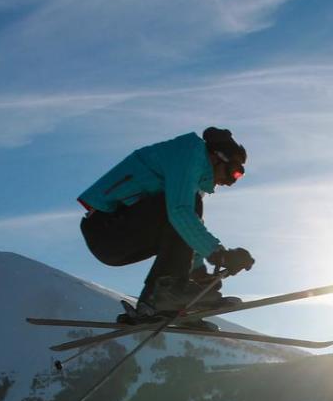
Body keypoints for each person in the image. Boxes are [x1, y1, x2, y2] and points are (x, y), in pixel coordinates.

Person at [77, 127, 255, 322]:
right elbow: (180, 213)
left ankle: (169, 300)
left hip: (117, 235)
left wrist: (199, 276)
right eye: (233, 172)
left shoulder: (191, 176)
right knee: (186, 208)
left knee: (189, 211)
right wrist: (219, 254)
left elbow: (182, 232)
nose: (229, 182)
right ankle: (164, 295)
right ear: (216, 157)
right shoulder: (188, 154)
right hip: (105, 230)